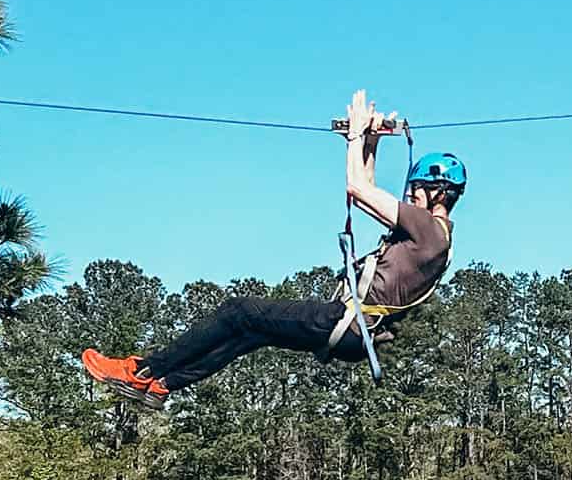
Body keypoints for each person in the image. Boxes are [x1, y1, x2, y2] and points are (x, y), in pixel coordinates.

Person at [81, 90, 464, 410]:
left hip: (345, 321)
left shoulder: (426, 228)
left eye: (415, 189)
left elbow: (356, 189)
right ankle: (164, 385)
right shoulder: (436, 239)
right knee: (251, 331)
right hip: (355, 335)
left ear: (438, 192)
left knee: (238, 310)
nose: (409, 195)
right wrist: (371, 142)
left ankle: (141, 370)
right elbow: (367, 197)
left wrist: (353, 140)